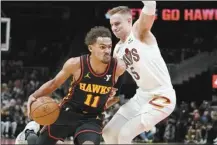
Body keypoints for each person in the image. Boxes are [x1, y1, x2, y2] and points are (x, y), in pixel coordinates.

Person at [26, 26, 126, 145]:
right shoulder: (76, 64)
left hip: (92, 118)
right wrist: (34, 95)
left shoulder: (118, 68)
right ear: (90, 48)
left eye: (109, 47)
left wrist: (103, 104)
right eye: (102, 47)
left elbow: (115, 97)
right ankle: (29, 132)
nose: (107, 51)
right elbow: (54, 83)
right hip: (67, 112)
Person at [102, 1, 176, 144]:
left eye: (117, 24)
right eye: (111, 25)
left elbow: (150, 5)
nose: (114, 28)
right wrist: (107, 93)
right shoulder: (117, 49)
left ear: (129, 20)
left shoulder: (138, 31)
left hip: (162, 96)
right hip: (142, 96)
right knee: (109, 133)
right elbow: (115, 77)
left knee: (125, 134)